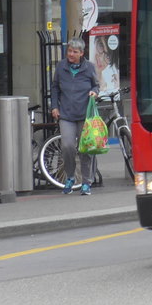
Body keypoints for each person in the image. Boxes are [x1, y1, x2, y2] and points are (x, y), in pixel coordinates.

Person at [50, 38, 100, 195]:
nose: (71, 54)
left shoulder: (89, 67)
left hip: (85, 114)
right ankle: (70, 176)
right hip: (66, 114)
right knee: (67, 146)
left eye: (74, 52)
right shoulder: (61, 67)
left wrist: (94, 92)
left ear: (81, 53)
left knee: (85, 149)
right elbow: (55, 88)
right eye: (69, 51)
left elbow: (96, 85)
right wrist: (54, 106)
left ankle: (86, 182)